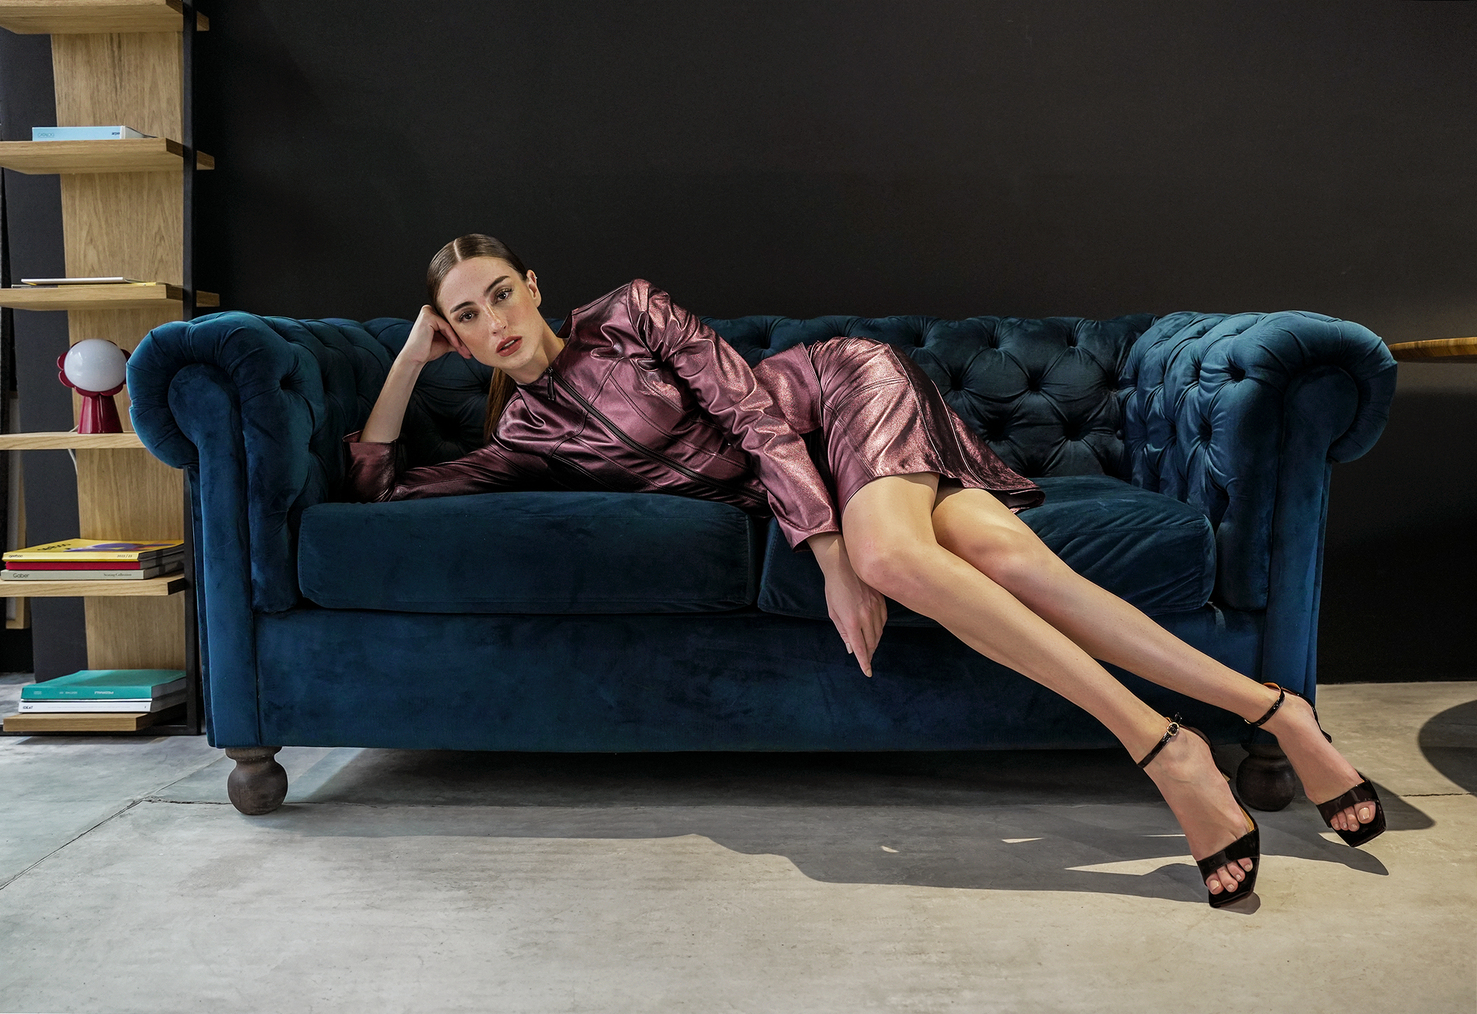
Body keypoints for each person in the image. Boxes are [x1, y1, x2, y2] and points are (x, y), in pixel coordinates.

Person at [346, 233, 1385, 907]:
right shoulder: (523, 434)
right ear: (456, 338)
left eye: (500, 294)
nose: (495, 323)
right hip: (833, 474)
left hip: (840, 391)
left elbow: (752, 413)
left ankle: (1164, 751)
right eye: (466, 317)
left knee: (890, 553)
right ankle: (1275, 710)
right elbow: (384, 490)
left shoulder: (628, 312)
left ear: (533, 285)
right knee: (1009, 558)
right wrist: (405, 361)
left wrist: (832, 551)